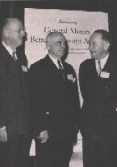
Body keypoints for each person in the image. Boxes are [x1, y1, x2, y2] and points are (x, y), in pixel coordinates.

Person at [29, 32, 80, 167]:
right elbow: (34, 101)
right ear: (48, 45)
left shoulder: (69, 69)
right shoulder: (37, 68)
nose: (63, 46)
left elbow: (74, 100)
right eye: (59, 43)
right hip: (48, 132)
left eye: (64, 43)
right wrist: (40, 128)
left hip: (66, 132)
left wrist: (75, 125)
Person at [79, 29, 117, 167]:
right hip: (90, 130)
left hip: (112, 130)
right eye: (89, 44)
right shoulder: (85, 66)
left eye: (93, 44)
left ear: (106, 45)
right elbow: (88, 94)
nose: (90, 47)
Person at [0, 18, 31, 167]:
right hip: (7, 128)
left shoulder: (21, 56)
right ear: (6, 32)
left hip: (23, 127)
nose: (24, 34)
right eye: (19, 30)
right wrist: (1, 125)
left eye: (23, 30)